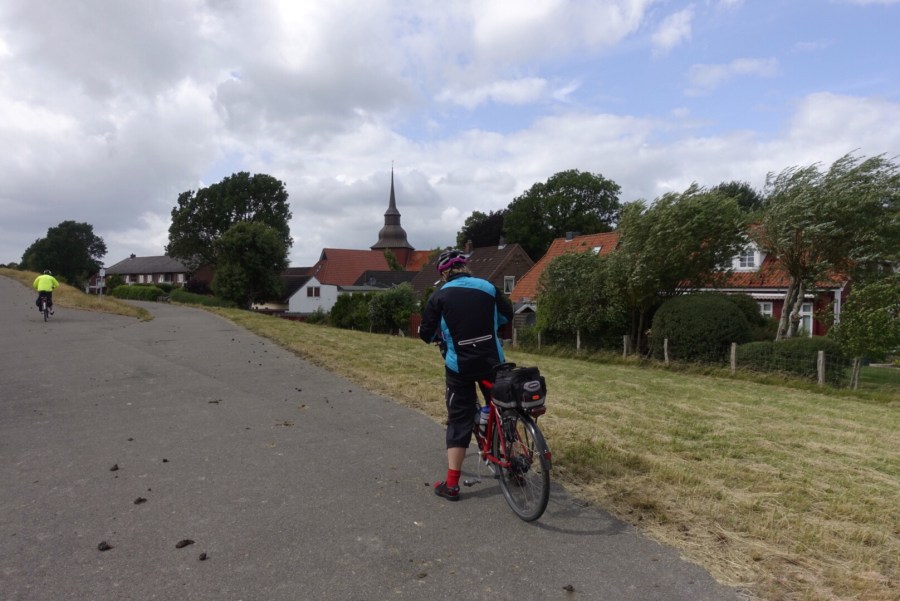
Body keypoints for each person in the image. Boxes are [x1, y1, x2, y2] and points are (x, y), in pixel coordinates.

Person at [419, 249, 513, 501]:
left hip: (460, 366)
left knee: (459, 418)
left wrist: (441, 336)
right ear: (465, 268)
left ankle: (451, 485)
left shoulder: (438, 296)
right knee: (503, 408)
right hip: (492, 360)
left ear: (444, 273)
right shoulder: (488, 287)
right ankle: (515, 463)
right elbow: (506, 315)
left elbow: (426, 333)